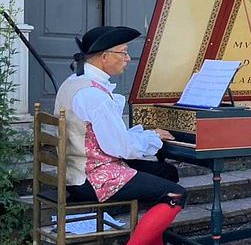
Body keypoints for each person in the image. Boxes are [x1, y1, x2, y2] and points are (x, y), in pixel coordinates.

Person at [53, 26, 187, 245]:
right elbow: (120, 147)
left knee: (166, 172)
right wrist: (152, 138)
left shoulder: (74, 81)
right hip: (92, 178)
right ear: (104, 57)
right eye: (123, 52)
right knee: (176, 195)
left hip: (76, 170)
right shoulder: (94, 95)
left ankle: (152, 240)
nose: (128, 58)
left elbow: (104, 137)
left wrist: (147, 136)